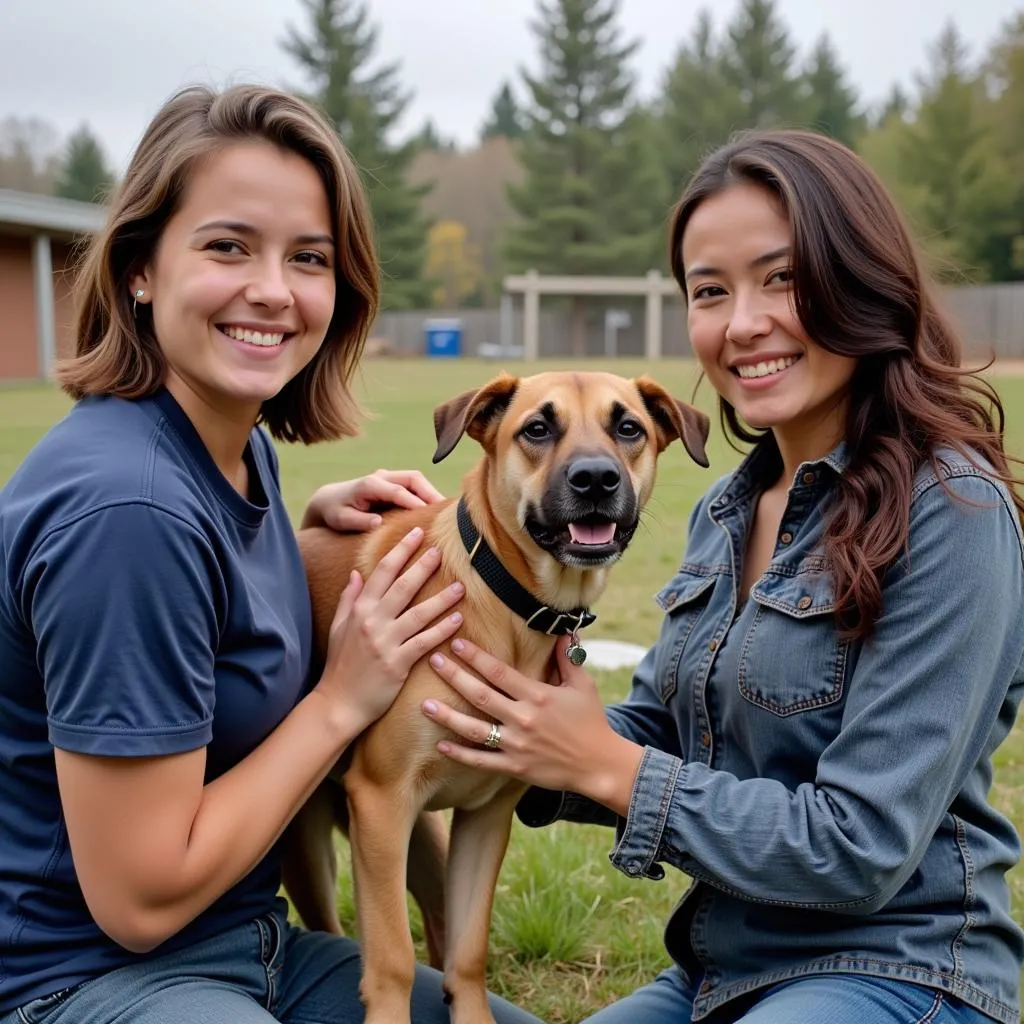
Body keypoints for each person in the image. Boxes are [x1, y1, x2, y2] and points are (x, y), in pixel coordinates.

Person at [422, 128, 1024, 1024]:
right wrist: (493, 721)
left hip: (904, 973)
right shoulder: (726, 513)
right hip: (720, 975)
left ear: (860, 278)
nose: (744, 323)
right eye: (711, 291)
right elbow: (669, 726)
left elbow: (860, 847)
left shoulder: (954, 513)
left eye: (782, 278)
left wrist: (608, 766)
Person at [0, 84, 538, 1024]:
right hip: (80, 981)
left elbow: (197, 608)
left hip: (250, 947)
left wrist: (295, 538)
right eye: (227, 246)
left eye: (309, 258)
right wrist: (341, 702)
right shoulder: (129, 513)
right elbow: (137, 904)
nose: (273, 290)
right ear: (139, 267)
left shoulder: (233, 448)